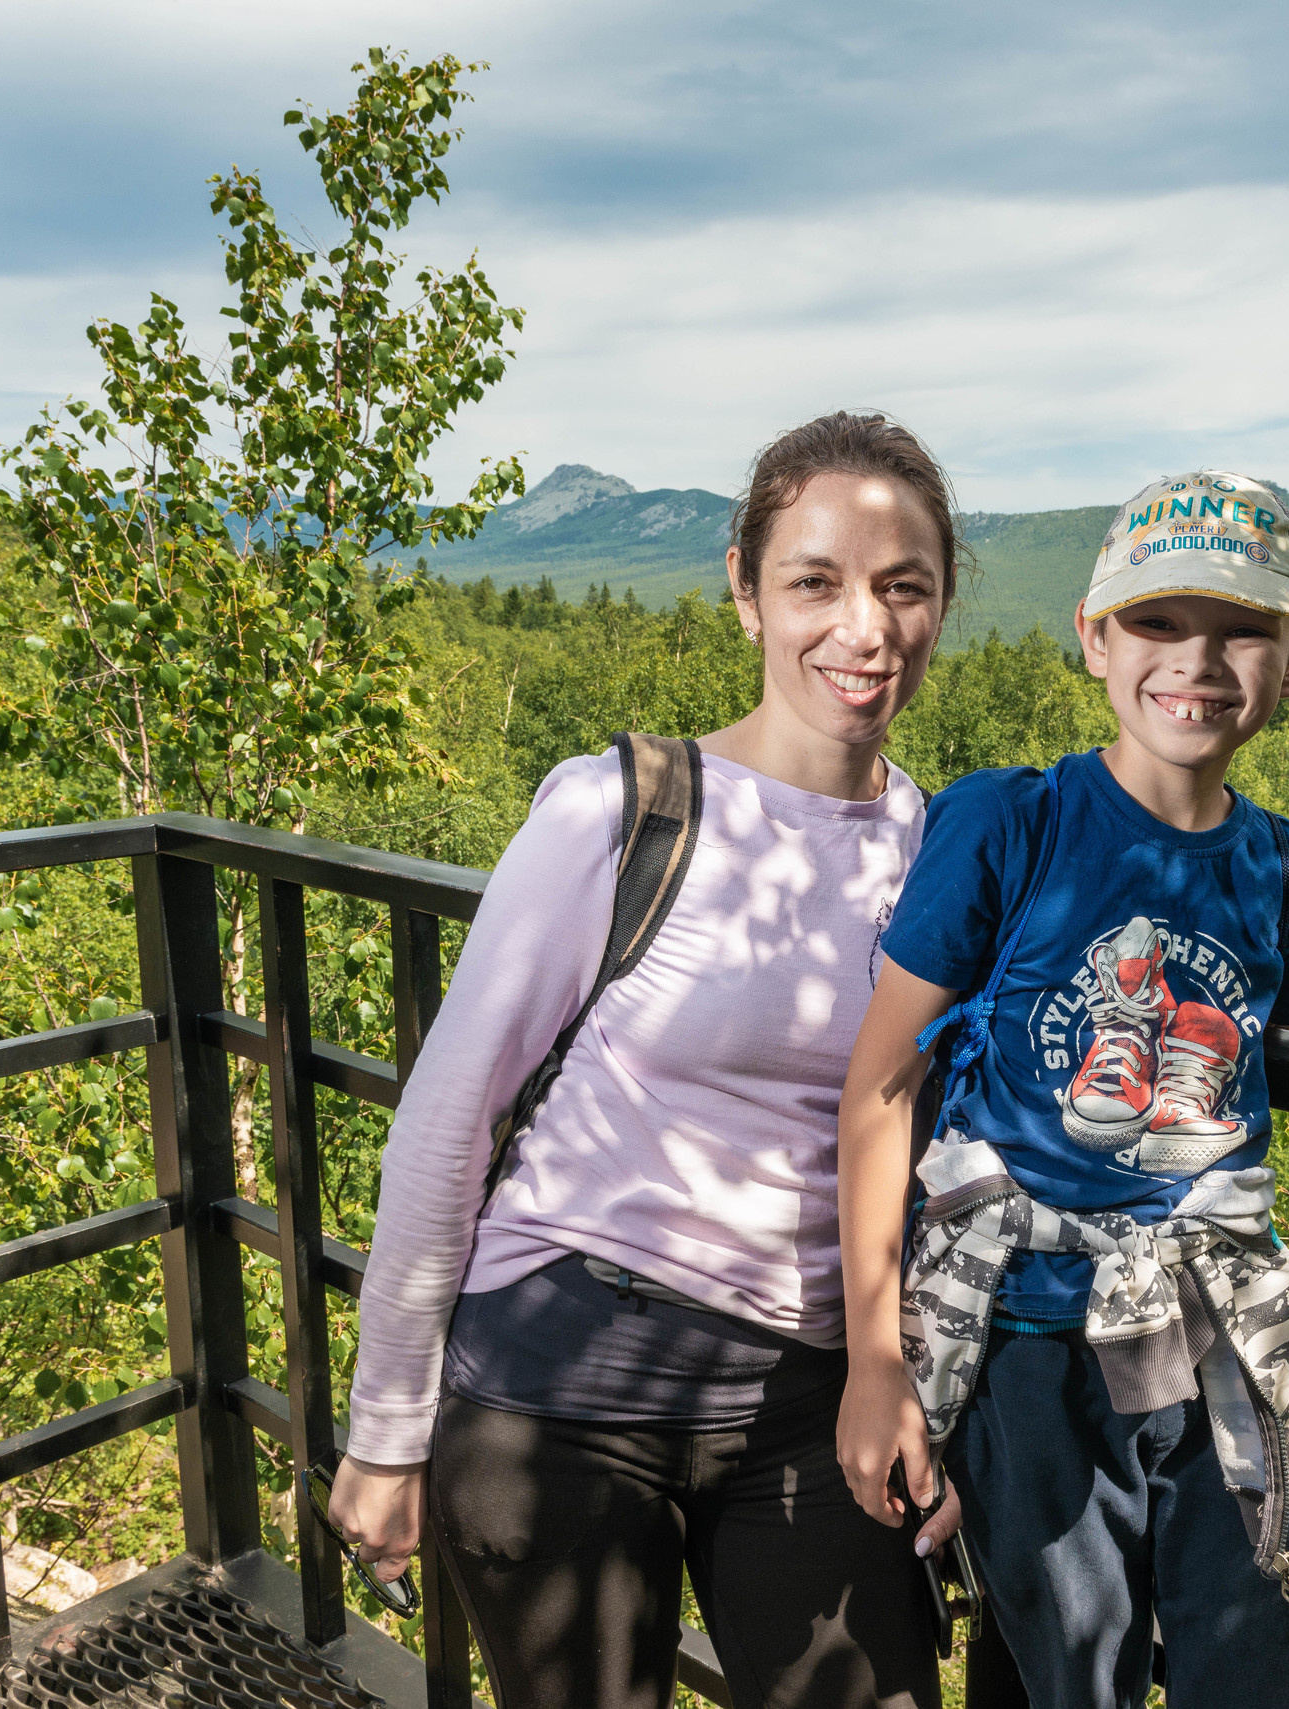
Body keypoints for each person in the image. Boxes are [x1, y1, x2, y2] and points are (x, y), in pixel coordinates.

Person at [833, 471, 1289, 1709]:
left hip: (1214, 1330)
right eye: (1158, 625)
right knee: (1069, 1674)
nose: (1199, 664)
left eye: (1244, 631)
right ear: (1095, 640)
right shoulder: (1011, 824)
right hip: (1031, 1338)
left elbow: (1251, 1030)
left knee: (1252, 1670)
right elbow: (881, 1080)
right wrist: (875, 1356)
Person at [329, 412, 970, 1709]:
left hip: (808, 1395)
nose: (865, 629)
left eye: (904, 588)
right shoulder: (618, 811)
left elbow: (1112, 1003)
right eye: (816, 582)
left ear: (941, 604)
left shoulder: (940, 846)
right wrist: (387, 1433)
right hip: (561, 1376)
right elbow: (449, 1122)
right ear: (744, 592)